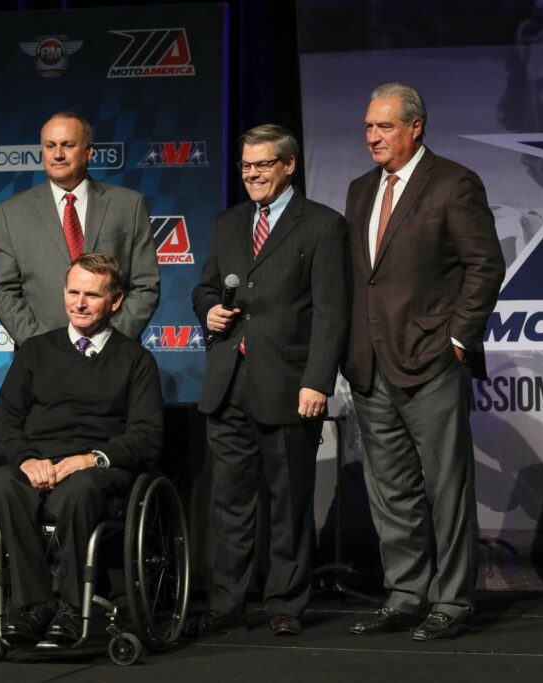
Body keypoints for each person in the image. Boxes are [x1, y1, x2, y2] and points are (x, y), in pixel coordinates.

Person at [342, 83, 505, 641]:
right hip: (370, 363)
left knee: (446, 489)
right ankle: (406, 594)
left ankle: (453, 601)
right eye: (368, 127)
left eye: (384, 127)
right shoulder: (361, 190)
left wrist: (457, 342)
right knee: (390, 492)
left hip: (432, 361)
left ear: (415, 127)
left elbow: (485, 266)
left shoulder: (454, 183)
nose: (372, 137)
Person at [189, 124, 349, 637]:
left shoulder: (322, 225)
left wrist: (317, 381)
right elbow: (205, 287)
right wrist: (209, 309)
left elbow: (331, 313)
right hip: (227, 382)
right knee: (230, 504)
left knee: (289, 501)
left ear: (288, 166)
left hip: (288, 385)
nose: (252, 174)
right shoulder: (228, 222)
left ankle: (285, 602)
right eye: (245, 166)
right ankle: (228, 600)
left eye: (262, 165)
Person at [0, 252, 163, 645]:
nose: (79, 303)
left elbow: (147, 436)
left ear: (115, 301)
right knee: (3, 482)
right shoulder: (35, 351)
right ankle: (34, 605)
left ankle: (71, 606)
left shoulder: (135, 360)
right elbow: (4, 420)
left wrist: (90, 459)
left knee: (79, 490)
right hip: (39, 461)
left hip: (97, 466)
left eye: (92, 295)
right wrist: (27, 459)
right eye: (73, 292)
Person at [0, 111, 159, 347]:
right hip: (42, 361)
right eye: (50, 146)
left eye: (67, 145)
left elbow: (146, 285)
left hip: (114, 357)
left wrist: (109, 342)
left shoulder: (128, 205)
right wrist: (44, 347)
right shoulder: (12, 212)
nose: (58, 154)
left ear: (89, 152)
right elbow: (3, 291)